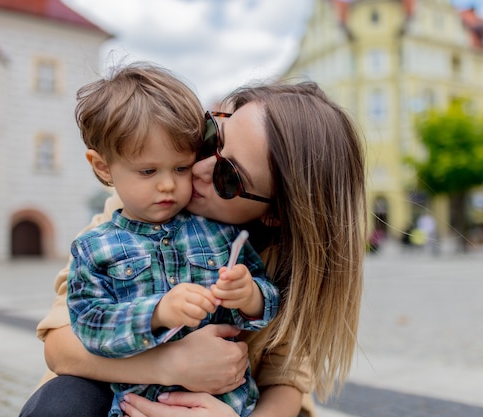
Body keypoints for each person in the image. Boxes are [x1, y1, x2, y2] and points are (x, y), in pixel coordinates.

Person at [20, 76, 368, 417]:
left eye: (228, 176)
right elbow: (62, 347)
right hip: (115, 391)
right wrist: (171, 365)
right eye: (212, 139)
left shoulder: (283, 261)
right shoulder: (132, 217)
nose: (198, 168)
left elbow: (287, 379)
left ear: (277, 214)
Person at [64, 63, 279, 417]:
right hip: (141, 406)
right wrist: (157, 313)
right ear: (103, 168)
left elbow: (270, 299)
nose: (168, 185)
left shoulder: (216, 231)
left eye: (180, 168)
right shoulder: (95, 247)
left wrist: (251, 295)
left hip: (228, 405)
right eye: (149, 171)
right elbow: (88, 325)